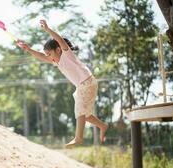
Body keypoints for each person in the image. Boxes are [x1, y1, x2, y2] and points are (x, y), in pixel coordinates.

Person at [17, 20, 108, 148]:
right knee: (85, 115)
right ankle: (102, 125)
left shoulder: (66, 54)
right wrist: (28, 49)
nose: (49, 57)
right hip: (85, 84)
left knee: (79, 111)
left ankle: (78, 138)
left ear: (58, 50)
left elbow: (59, 39)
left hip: (86, 82)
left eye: (50, 53)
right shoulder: (57, 61)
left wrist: (48, 29)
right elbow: (41, 57)